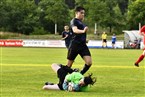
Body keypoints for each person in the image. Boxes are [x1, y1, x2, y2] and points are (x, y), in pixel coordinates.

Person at [65, 6, 92, 75]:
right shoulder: (74, 21)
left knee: (89, 62)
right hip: (75, 45)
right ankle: (62, 82)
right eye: (81, 13)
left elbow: (79, 34)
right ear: (77, 13)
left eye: (84, 13)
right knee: (68, 65)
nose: (83, 14)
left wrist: (85, 40)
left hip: (83, 45)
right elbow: (75, 30)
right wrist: (83, 31)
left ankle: (79, 75)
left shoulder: (81, 22)